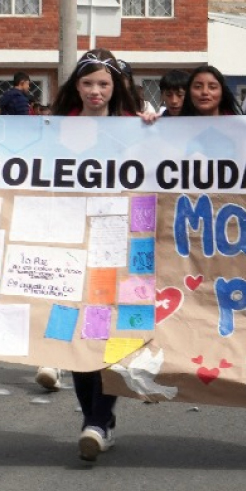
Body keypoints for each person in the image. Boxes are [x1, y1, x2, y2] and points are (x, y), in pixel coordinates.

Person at [45, 49, 158, 459]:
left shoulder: (135, 126)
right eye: (88, 83)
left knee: (111, 333)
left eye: (103, 84)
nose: (95, 91)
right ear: (76, 86)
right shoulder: (54, 128)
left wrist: (153, 130)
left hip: (123, 245)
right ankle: (94, 419)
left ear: (116, 88)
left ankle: (99, 419)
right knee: (79, 334)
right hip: (72, 244)